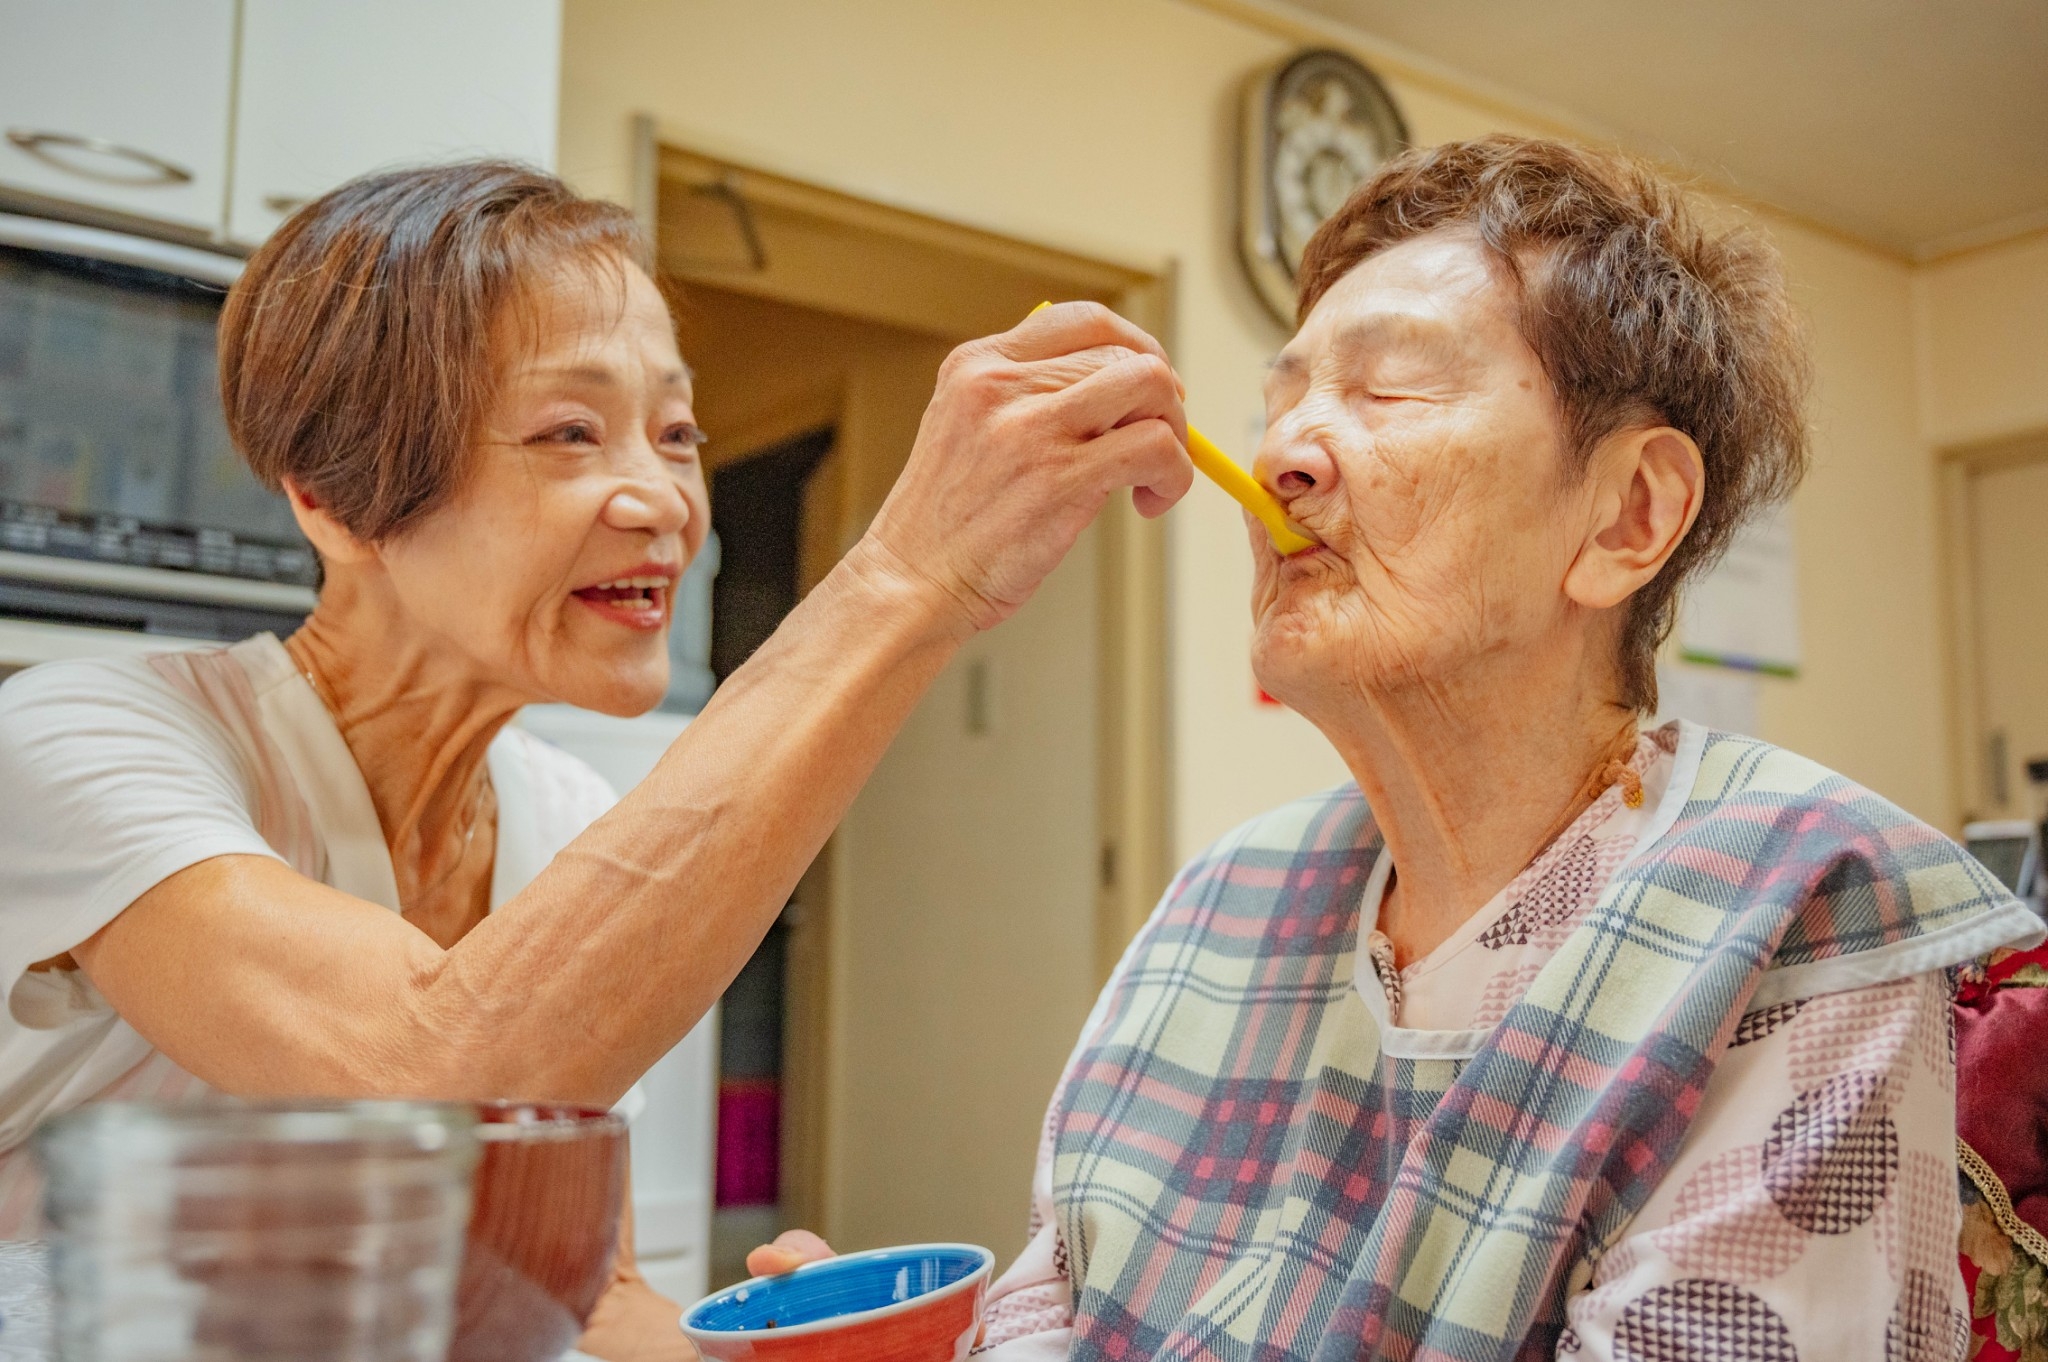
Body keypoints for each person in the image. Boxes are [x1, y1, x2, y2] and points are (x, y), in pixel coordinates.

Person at [759, 135, 2043, 1360]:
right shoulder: (1225, 896)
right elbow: (1060, 1300)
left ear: (1627, 513)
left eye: (1385, 388)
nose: (1278, 458)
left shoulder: (1795, 920)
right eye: (1281, 401)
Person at [0, 162, 1191, 1359]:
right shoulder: (86, 739)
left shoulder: (560, 810)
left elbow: (582, 1296)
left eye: (675, 434)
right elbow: (425, 1078)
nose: (663, 501)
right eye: (570, 431)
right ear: (333, 500)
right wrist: (903, 580)